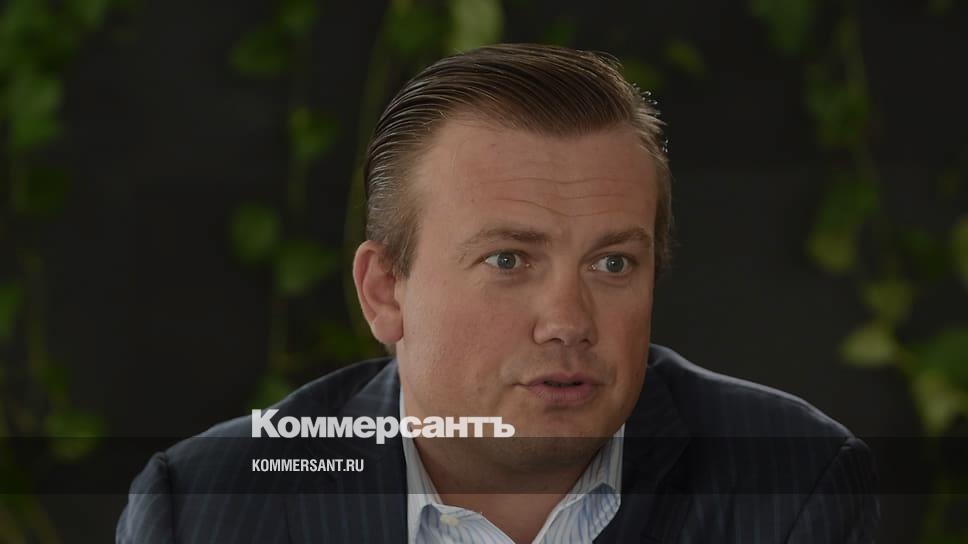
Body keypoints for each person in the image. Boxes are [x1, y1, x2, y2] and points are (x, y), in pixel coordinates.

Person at [117, 44, 879, 543]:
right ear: (385, 292)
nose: (568, 322)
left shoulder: (793, 488)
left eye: (613, 264)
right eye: (509, 259)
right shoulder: (204, 507)